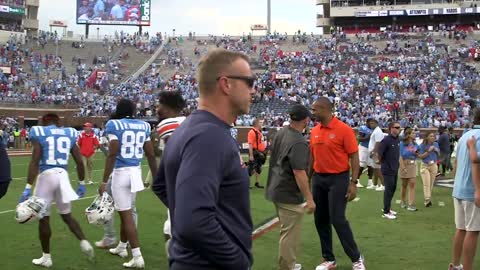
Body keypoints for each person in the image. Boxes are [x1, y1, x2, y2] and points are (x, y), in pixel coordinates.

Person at [152, 49, 254, 270]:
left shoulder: (186, 128)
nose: (253, 90)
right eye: (249, 82)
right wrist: (237, 261)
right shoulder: (210, 135)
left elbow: (160, 186)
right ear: (226, 84)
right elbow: (193, 221)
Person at [18, 113, 94, 268]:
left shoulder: (40, 132)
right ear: (58, 122)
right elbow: (79, 162)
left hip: (46, 176)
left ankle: (46, 257)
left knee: (44, 218)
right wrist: (81, 183)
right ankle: (84, 242)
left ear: (45, 122)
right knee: (67, 216)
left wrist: (27, 188)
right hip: (63, 177)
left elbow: (35, 161)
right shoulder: (70, 133)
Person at [99, 99, 158, 268]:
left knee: (126, 216)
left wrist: (104, 180)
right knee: (128, 212)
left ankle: (137, 257)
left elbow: (112, 153)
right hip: (136, 172)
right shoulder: (144, 126)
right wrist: (156, 176)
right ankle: (122, 247)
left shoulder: (114, 125)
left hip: (121, 173)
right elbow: (151, 154)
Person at [309, 97, 366, 270]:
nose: (313, 113)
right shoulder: (314, 131)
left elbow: (354, 156)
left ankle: (356, 258)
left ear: (325, 109)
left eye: (315, 109)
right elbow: (312, 157)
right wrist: (307, 178)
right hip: (319, 179)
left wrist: (354, 182)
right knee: (320, 219)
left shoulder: (344, 130)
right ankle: (329, 259)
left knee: (338, 219)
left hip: (338, 178)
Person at [266, 104, 315, 270]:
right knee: (290, 234)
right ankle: (287, 266)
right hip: (287, 191)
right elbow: (299, 172)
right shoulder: (299, 141)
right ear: (306, 119)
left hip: (275, 186)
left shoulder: (282, 132)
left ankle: (289, 263)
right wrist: (309, 199)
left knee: (286, 231)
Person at [146, 90, 186, 258]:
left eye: (159, 105)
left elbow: (170, 155)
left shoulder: (168, 124)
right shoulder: (187, 121)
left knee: (172, 231)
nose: (156, 109)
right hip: (186, 184)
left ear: (168, 108)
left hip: (181, 186)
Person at [448, 108, 480, 270]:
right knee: (473, 231)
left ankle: (455, 264)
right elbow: (476, 162)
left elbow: (458, 162)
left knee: (461, 229)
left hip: (459, 189)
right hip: (472, 191)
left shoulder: (465, 135)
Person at [378, 122, 401, 220]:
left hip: (395, 168)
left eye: (399, 127)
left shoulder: (397, 140)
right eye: (396, 127)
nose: (398, 129)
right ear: (391, 128)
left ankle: (388, 207)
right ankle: (386, 211)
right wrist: (383, 163)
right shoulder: (386, 140)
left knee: (393, 188)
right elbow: (380, 154)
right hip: (388, 169)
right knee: (388, 190)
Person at [399, 128, 419, 211]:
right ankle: (403, 200)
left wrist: (417, 153)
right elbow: (400, 156)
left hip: (413, 165)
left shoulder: (416, 144)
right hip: (404, 164)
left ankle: (411, 204)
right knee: (404, 185)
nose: (415, 134)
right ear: (408, 134)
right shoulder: (402, 144)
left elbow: (418, 154)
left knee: (412, 183)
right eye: (413, 133)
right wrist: (403, 167)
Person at [418, 132, 440, 207]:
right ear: (427, 137)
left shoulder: (436, 144)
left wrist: (436, 150)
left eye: (434, 136)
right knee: (426, 183)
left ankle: (428, 200)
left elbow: (439, 154)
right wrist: (428, 151)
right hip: (425, 166)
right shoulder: (422, 145)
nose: (433, 137)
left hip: (433, 165)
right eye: (431, 136)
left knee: (431, 183)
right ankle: (427, 199)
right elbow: (421, 156)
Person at [77, 122, 100, 187]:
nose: (85, 128)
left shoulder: (93, 136)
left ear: (90, 128)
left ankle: (90, 179)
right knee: (83, 166)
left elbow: (97, 144)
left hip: (91, 154)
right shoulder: (81, 135)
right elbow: (78, 144)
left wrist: (93, 149)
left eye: (86, 126)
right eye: (84, 127)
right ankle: (82, 180)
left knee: (90, 166)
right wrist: (80, 150)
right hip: (83, 153)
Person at [367, 119, 385, 191]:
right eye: (370, 123)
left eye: (372, 123)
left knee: (378, 168)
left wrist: (374, 152)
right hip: (374, 151)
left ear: (376, 123)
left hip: (376, 152)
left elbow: (378, 142)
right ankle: (375, 184)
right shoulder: (375, 131)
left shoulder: (378, 131)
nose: (371, 125)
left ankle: (384, 185)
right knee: (375, 168)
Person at [248, 118, 266, 188]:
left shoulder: (259, 132)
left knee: (258, 168)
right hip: (255, 152)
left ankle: (257, 183)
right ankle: (247, 183)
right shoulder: (252, 132)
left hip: (260, 153)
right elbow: (250, 144)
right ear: (257, 124)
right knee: (251, 169)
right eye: (260, 123)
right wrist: (251, 155)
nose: (261, 124)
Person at [357, 119, 373, 188]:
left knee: (370, 165)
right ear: (367, 123)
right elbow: (360, 139)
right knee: (361, 164)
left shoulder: (374, 129)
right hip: (363, 147)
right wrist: (367, 137)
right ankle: (356, 180)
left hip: (370, 148)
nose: (371, 124)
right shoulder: (363, 128)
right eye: (370, 123)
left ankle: (370, 181)